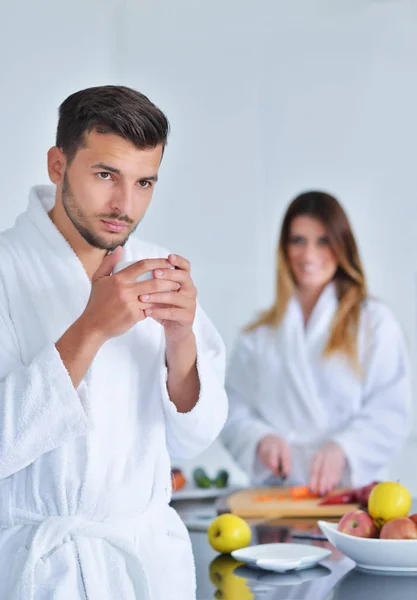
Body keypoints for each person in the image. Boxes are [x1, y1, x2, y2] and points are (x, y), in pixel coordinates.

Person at [0, 85, 228, 600]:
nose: (125, 205)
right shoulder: (6, 269)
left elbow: (196, 440)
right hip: (41, 573)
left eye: (144, 182)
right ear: (58, 165)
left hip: (147, 566)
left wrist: (180, 339)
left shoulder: (155, 267)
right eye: (106, 175)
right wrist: (91, 328)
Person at [221, 191, 411, 495]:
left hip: (353, 496)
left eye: (323, 241)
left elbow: (392, 410)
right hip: (277, 497)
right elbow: (232, 409)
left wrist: (344, 448)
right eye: (298, 240)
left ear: (342, 245)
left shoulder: (374, 323)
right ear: (284, 247)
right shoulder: (258, 335)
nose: (308, 255)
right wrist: (259, 438)